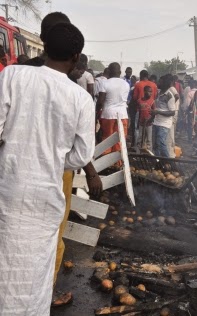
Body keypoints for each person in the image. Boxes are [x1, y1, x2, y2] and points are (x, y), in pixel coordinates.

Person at [0, 23, 95, 316]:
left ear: (45, 48)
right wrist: (52, 160)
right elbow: (81, 156)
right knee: (35, 271)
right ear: (76, 57)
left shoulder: (12, 75)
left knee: (5, 259)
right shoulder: (80, 98)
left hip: (7, 189)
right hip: (46, 197)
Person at [96, 62, 130, 157]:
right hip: (123, 115)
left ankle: (106, 165)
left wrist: (96, 114)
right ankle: (118, 163)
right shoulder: (126, 84)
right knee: (120, 140)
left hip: (108, 115)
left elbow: (100, 101)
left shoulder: (105, 83)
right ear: (120, 72)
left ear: (109, 71)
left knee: (107, 140)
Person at [151, 74, 176, 157]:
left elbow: (172, 112)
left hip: (164, 124)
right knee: (155, 145)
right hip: (156, 122)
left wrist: (158, 112)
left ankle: (168, 163)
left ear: (165, 83)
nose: (158, 83)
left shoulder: (169, 96)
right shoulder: (158, 93)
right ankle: (158, 162)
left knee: (161, 143)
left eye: (160, 81)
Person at [131, 70, 158, 146]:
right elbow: (155, 96)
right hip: (150, 112)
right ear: (147, 76)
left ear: (141, 76)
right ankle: (147, 149)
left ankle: (137, 147)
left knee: (138, 130)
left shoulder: (138, 84)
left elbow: (135, 97)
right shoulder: (154, 85)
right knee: (148, 134)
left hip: (140, 110)